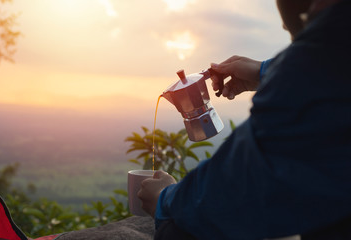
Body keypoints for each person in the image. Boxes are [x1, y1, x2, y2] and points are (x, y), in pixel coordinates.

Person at [138, 0, 351, 239]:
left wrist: (165, 197)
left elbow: (235, 189)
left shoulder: (325, 49)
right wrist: (264, 71)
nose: (283, 24)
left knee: (177, 230)